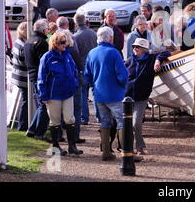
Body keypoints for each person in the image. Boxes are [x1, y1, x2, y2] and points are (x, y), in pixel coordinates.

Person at [84, 27, 130, 161]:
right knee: (122, 122)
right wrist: (123, 86)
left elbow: (87, 75)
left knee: (105, 122)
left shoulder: (92, 53)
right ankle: (126, 153)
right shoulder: (114, 52)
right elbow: (122, 75)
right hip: (114, 94)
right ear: (110, 38)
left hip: (99, 94)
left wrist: (94, 86)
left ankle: (106, 152)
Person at [38, 31, 82, 155]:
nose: (65, 44)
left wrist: (74, 84)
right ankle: (55, 146)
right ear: (55, 43)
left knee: (69, 118)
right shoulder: (47, 57)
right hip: (53, 95)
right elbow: (41, 78)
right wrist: (44, 95)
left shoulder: (68, 56)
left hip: (68, 93)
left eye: (66, 42)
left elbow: (74, 71)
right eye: (62, 42)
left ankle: (72, 146)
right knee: (55, 120)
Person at [125, 38, 170, 155]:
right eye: (134, 46)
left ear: (144, 50)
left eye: (138, 47)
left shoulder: (150, 59)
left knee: (136, 123)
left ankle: (139, 147)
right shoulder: (130, 61)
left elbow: (166, 52)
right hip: (127, 97)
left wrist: (157, 61)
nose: (135, 49)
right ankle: (127, 147)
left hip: (142, 97)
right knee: (125, 123)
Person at [24, 19, 50, 140]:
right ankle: (39, 133)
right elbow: (44, 63)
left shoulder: (28, 41)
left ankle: (32, 129)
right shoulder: (42, 43)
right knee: (44, 105)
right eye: (47, 29)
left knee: (41, 105)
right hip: (40, 78)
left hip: (32, 75)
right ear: (44, 30)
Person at [73, 13, 97, 125]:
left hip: (82, 67)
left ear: (76, 23)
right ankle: (99, 116)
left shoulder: (75, 37)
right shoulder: (93, 34)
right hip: (93, 67)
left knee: (83, 93)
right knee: (95, 92)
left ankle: (84, 117)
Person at [11, 22, 29, 131]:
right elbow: (25, 62)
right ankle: (22, 126)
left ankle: (23, 125)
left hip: (18, 76)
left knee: (25, 101)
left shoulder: (18, 41)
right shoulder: (23, 45)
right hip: (23, 78)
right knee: (25, 102)